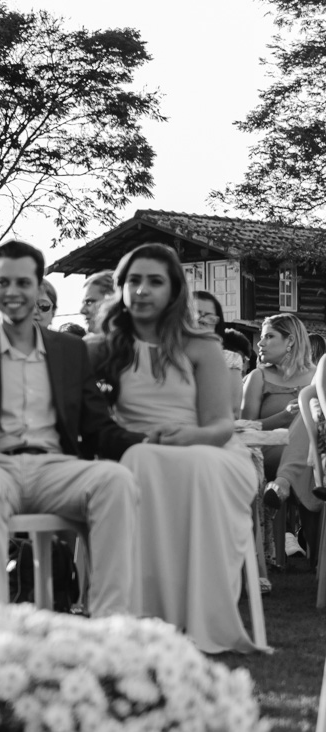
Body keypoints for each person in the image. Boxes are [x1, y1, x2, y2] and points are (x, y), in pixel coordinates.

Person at [0, 240, 142, 617]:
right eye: (4, 283)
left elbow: (98, 426)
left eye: (23, 283)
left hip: (55, 469)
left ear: (38, 288)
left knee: (115, 480)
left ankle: (110, 623)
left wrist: (146, 442)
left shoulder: (69, 349)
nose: (13, 292)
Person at [90, 243, 262, 652]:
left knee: (191, 463)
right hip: (141, 448)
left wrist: (190, 438)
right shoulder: (102, 348)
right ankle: (144, 617)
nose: (143, 290)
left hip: (210, 448)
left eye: (155, 281)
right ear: (121, 287)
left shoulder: (200, 346)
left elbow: (221, 424)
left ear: (174, 291)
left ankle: (199, 616)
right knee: (139, 459)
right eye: (134, 280)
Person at [240, 312, 316, 483]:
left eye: (269, 336)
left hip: (314, 451)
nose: (260, 343)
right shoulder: (258, 377)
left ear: (290, 340)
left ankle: (284, 487)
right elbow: (244, 431)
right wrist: (283, 417)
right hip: (272, 450)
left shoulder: (318, 376)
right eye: (261, 337)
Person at [193, 290, 243, 415]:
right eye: (196, 315)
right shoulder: (163, 355)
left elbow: (233, 409)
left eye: (210, 318)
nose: (202, 322)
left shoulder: (229, 360)